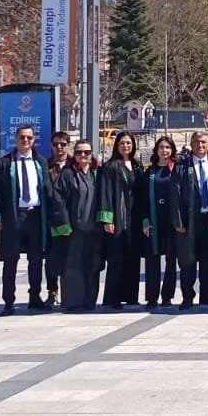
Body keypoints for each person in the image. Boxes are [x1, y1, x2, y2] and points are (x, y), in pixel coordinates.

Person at [0, 126, 55, 315]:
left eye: (29, 137)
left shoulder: (40, 161)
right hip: (14, 217)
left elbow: (47, 190)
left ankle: (34, 297)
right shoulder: (5, 163)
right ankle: (8, 301)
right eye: (22, 137)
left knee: (35, 259)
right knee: (10, 260)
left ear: (34, 139)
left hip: (35, 216)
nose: (25, 141)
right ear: (16, 139)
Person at [50, 139, 102, 312]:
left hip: (93, 229)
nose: (83, 155)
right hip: (73, 230)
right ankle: (73, 302)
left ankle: (90, 300)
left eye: (86, 152)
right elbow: (58, 200)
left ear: (91, 154)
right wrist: (64, 224)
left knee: (92, 266)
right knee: (72, 266)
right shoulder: (67, 174)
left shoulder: (96, 173)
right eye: (79, 152)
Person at [96, 131, 142, 309]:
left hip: (134, 217)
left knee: (133, 256)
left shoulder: (137, 166)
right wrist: (108, 219)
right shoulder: (110, 167)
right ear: (117, 145)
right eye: (122, 143)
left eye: (128, 143)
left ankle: (131, 296)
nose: (125, 146)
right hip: (118, 216)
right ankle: (112, 298)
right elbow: (105, 193)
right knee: (116, 257)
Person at [173, 130, 208, 307]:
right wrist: (178, 220)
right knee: (188, 261)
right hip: (189, 220)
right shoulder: (181, 167)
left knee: (207, 260)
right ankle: (187, 296)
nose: (200, 145)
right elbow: (175, 195)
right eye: (197, 142)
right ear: (191, 144)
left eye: (203, 142)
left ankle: (207, 295)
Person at [139, 135, 180, 309]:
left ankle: (167, 296)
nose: (164, 150)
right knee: (152, 259)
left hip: (171, 220)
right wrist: (145, 220)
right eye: (161, 147)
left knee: (171, 259)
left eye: (168, 147)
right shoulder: (150, 172)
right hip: (154, 219)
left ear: (172, 150)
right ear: (156, 150)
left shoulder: (177, 170)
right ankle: (152, 297)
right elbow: (142, 199)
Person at [44, 129, 73, 300]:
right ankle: (52, 291)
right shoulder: (45, 165)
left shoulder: (75, 165)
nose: (59, 147)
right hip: (50, 219)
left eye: (63, 144)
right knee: (51, 258)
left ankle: (70, 292)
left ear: (68, 145)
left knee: (71, 256)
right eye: (55, 144)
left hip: (72, 219)